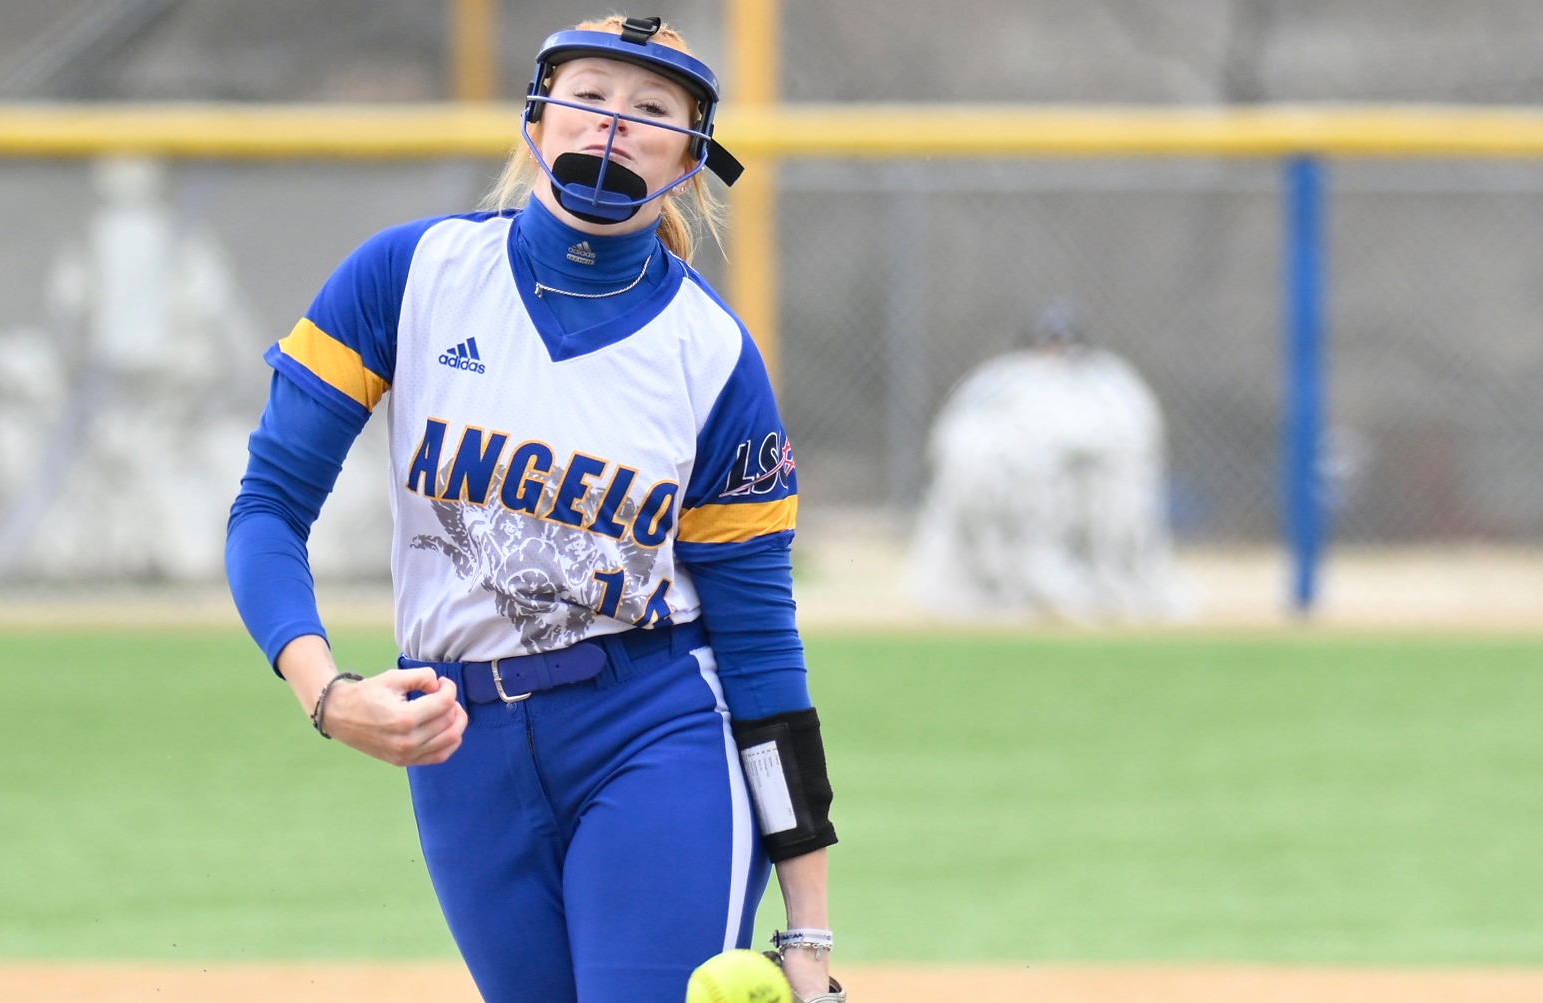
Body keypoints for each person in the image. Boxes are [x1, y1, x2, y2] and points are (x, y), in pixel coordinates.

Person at [225, 15, 844, 1003]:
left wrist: (806, 932)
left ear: (690, 158)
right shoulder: (410, 275)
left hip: (653, 727)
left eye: (651, 112)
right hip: (458, 742)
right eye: (588, 96)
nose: (612, 126)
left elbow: (762, 646)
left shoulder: (710, 354)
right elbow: (265, 510)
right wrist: (327, 694)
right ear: (534, 119)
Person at [908, 303, 1184, 622]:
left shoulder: (1107, 382)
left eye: (1064, 341)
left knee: (1113, 507)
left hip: (1084, 484)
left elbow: (1134, 438)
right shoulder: (1001, 380)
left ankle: (1108, 590)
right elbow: (960, 436)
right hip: (1013, 484)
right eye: (1048, 340)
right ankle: (1002, 591)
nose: (1055, 351)